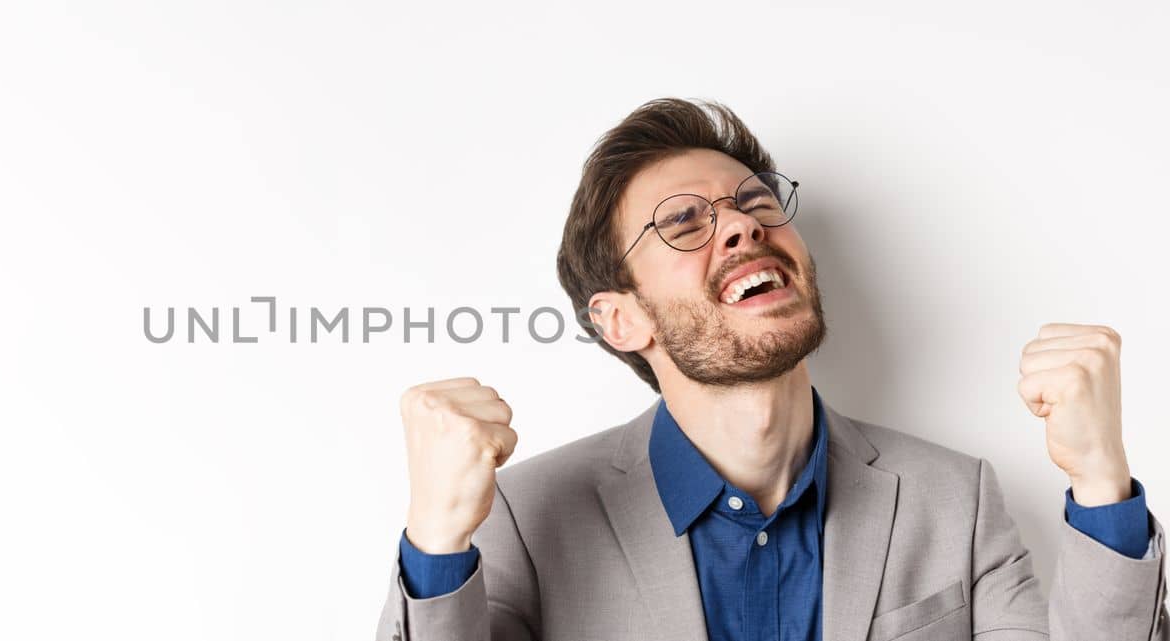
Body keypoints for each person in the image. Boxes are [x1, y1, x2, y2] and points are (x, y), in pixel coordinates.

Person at [376, 98, 1167, 641]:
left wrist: (1102, 482)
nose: (743, 228)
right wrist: (437, 539)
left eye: (756, 203)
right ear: (622, 319)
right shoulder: (527, 516)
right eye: (684, 220)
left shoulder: (954, 501)